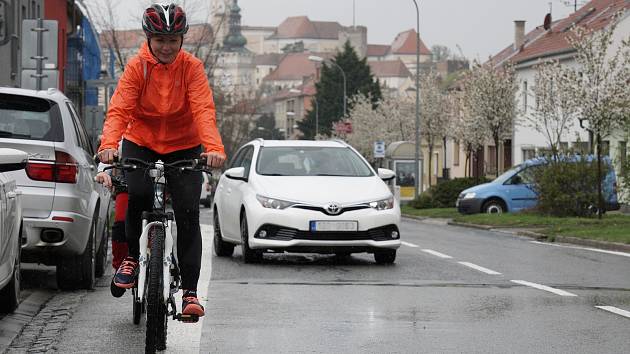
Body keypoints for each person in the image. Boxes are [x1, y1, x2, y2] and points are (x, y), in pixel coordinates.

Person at [95, 3, 226, 318]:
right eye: (159, 40)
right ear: (148, 38)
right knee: (137, 194)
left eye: (173, 40)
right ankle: (130, 257)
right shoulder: (137, 67)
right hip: (141, 142)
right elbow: (120, 109)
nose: (166, 47)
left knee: (187, 212)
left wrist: (213, 148)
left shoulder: (191, 68)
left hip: (185, 145)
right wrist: (109, 145)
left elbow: (203, 110)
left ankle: (190, 294)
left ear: (182, 39)